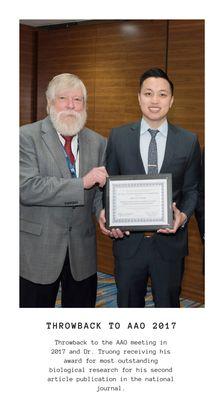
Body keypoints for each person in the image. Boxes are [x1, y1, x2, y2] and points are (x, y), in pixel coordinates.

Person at [99, 68, 201, 308]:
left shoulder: (188, 140)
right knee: (128, 306)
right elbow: (108, 185)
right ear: (139, 97)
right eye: (148, 93)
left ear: (172, 100)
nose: (155, 100)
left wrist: (183, 216)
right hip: (128, 245)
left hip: (169, 246)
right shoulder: (118, 137)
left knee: (168, 307)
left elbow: (192, 189)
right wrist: (109, 216)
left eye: (162, 94)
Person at [20, 73, 107, 308]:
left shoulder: (99, 142)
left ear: (85, 105)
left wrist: (102, 212)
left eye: (78, 100)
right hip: (38, 251)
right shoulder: (25, 137)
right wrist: (81, 183)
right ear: (49, 103)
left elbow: (99, 192)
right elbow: (27, 188)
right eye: (63, 98)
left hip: (82, 251)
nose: (71, 105)